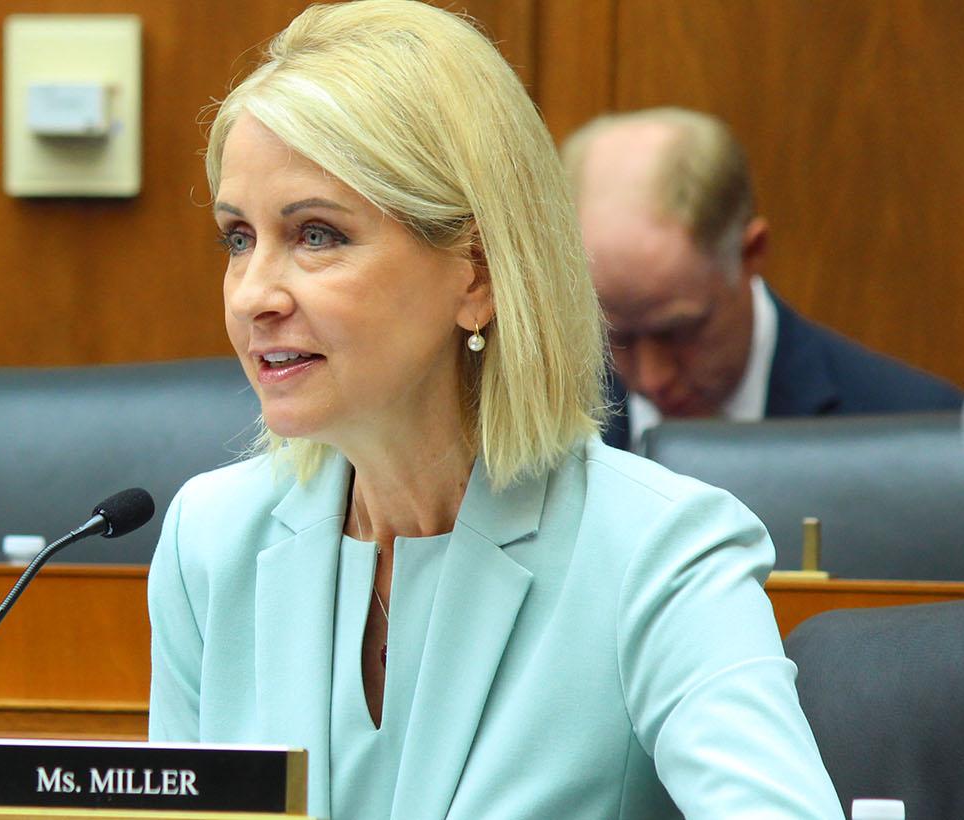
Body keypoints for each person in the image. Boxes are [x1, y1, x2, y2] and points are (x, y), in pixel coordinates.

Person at [147, 3, 843, 818]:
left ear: (476, 274)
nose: (256, 294)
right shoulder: (212, 542)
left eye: (316, 236)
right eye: (238, 238)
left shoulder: (656, 551)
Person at [560, 107, 961, 450]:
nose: (652, 377)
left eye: (679, 331)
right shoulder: (540, 429)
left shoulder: (918, 432)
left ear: (751, 252)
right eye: (617, 336)